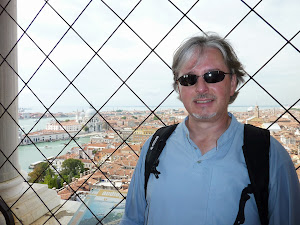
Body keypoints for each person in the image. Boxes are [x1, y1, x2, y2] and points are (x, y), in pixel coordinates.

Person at [119, 33, 300, 225]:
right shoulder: (154, 147)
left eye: (213, 76)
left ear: (232, 83)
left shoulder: (270, 155)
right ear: (179, 89)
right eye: (189, 79)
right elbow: (132, 220)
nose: (201, 88)